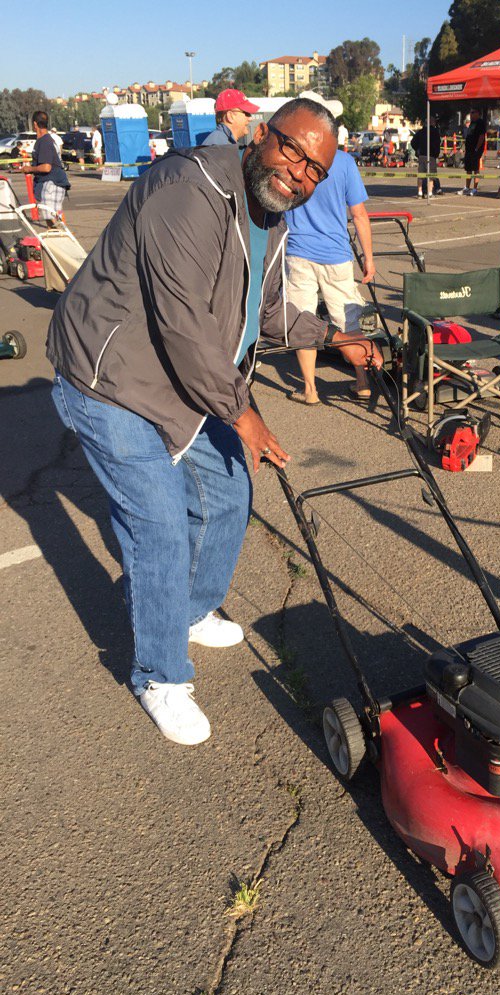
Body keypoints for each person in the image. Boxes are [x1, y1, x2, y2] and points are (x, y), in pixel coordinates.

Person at [46, 98, 381, 745]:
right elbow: (185, 325)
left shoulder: (271, 218)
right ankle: (158, 675)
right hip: (110, 380)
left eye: (315, 170)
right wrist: (244, 414)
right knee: (161, 525)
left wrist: (336, 337)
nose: (299, 174)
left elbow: (269, 313)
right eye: (292, 151)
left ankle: (188, 607)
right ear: (260, 135)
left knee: (229, 491)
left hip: (183, 383)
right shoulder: (188, 188)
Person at [283, 141, 376, 405]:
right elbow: (359, 214)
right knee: (349, 321)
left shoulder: (293, 158)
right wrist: (369, 258)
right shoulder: (344, 161)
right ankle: (362, 382)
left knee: (303, 321)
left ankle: (310, 390)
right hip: (336, 254)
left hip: (298, 251)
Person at [27, 110, 70, 226]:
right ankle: (56, 237)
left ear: (35, 124)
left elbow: (46, 167)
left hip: (53, 183)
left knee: (52, 217)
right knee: (52, 217)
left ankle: (61, 238)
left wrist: (29, 169)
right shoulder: (45, 140)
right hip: (50, 183)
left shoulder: (45, 141)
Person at [411, 114, 442, 198]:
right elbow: (437, 144)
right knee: (431, 175)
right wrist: (436, 153)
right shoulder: (435, 132)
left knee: (421, 175)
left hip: (421, 156)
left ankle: (420, 192)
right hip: (431, 156)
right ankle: (430, 193)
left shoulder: (420, 132)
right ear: (432, 122)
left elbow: (413, 142)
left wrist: (417, 150)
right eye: (434, 122)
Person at [460, 108, 486, 195]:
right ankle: (467, 187)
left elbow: (481, 136)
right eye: (470, 113)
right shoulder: (472, 123)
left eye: (473, 113)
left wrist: (477, 148)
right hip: (469, 149)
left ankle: (475, 188)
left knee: (475, 168)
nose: (471, 114)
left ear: (477, 113)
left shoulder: (480, 123)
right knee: (468, 168)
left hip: (475, 150)